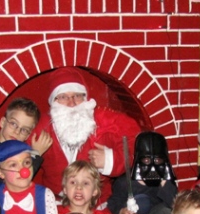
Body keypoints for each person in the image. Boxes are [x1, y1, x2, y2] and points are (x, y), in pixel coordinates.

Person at [34, 66, 142, 202]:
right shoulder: (42, 128)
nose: (72, 103)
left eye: (77, 96)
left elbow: (136, 143)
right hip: (56, 205)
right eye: (63, 97)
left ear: (85, 98)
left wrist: (111, 159)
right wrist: (35, 154)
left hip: (97, 203)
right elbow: (17, 161)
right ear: (53, 102)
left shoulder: (103, 121)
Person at [107, 131, 178, 214]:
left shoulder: (165, 182)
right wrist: (122, 211)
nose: (152, 166)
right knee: (142, 202)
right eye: (146, 160)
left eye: (158, 161)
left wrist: (164, 183)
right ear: (138, 159)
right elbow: (112, 203)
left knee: (168, 212)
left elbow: (175, 204)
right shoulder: (125, 182)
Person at [0, 97, 53, 176]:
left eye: (24, 130)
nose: (17, 132)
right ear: (3, 122)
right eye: (13, 124)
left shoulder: (16, 150)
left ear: (27, 136)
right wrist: (36, 153)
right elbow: (18, 179)